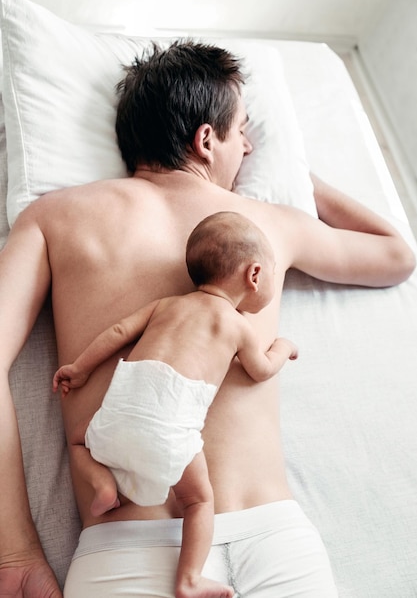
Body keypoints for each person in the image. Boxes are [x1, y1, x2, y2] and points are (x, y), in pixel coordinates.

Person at [0, 39, 415, 598]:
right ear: (205, 139)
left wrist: (15, 549)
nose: (248, 148)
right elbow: (397, 253)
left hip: (128, 550)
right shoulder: (269, 223)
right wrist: (296, 172)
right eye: (242, 132)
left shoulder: (56, 216)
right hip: (274, 538)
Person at [52, 211, 298, 598]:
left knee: (80, 441)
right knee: (198, 501)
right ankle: (189, 579)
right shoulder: (236, 326)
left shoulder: (166, 305)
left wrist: (80, 370)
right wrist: (284, 346)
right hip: (172, 431)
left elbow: (117, 333)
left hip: (118, 415)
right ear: (254, 275)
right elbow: (261, 370)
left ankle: (102, 485)